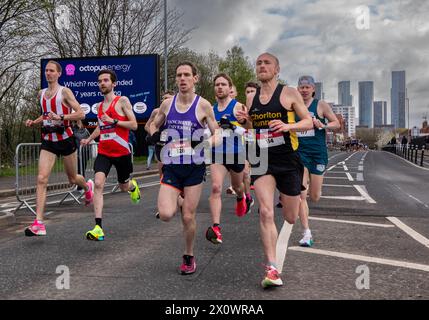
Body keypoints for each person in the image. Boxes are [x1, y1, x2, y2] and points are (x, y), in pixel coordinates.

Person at [236, 53, 312, 288]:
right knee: (266, 212)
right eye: (258, 63)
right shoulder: (252, 98)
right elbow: (251, 127)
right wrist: (244, 121)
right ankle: (271, 267)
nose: (262, 66)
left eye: (267, 63)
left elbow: (308, 121)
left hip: (288, 160)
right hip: (262, 159)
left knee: (290, 216)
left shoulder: (289, 93)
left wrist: (288, 125)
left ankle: (292, 205)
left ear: (277, 69)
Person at [148, 61, 220, 275]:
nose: (182, 79)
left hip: (194, 167)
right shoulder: (167, 104)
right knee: (166, 214)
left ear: (195, 79)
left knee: (188, 217)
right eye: (179, 75)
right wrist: (153, 135)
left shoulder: (203, 105)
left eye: (186, 75)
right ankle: (179, 200)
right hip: (171, 166)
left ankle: (188, 256)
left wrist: (203, 143)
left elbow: (218, 134)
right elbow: (153, 123)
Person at [24, 60, 94, 237]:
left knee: (72, 179)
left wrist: (62, 116)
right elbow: (46, 114)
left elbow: (81, 113)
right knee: (41, 178)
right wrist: (35, 122)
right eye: (46, 70)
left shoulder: (65, 92)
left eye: (52, 71)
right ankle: (39, 223)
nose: (48, 73)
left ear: (58, 74)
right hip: (48, 140)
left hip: (66, 139)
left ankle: (87, 187)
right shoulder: (41, 93)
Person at [80, 69, 141, 241]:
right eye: (100, 81)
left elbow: (134, 125)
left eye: (106, 80)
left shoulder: (122, 101)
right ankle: (98, 227)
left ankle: (132, 187)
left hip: (121, 153)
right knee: (98, 183)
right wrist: (89, 139)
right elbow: (101, 127)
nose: (102, 83)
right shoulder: (99, 107)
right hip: (104, 152)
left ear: (114, 84)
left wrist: (114, 121)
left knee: (123, 187)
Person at [296, 75, 340, 247]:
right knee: (301, 195)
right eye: (302, 87)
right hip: (300, 153)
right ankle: (306, 232)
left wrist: (323, 125)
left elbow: (336, 123)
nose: (304, 90)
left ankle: (307, 192)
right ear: (298, 89)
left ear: (313, 89)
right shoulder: (295, 106)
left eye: (308, 87)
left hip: (318, 153)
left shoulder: (320, 105)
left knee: (314, 196)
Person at [206, 73, 248, 245]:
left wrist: (237, 124)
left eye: (223, 84)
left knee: (238, 186)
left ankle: (241, 197)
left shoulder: (238, 107)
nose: (220, 87)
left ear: (230, 88)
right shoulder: (210, 109)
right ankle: (216, 227)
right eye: (217, 84)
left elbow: (250, 131)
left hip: (236, 153)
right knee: (216, 187)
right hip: (218, 153)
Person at [72, 120, 90, 188]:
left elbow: (89, 139)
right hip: (78, 152)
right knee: (79, 169)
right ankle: (81, 186)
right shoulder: (73, 131)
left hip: (85, 152)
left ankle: (81, 186)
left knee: (82, 169)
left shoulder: (85, 130)